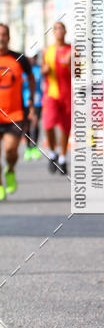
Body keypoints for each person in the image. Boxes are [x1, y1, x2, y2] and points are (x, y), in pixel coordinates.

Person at [0, 24, 35, 199]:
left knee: (10, 151)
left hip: (14, 115)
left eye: (4, 35)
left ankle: (11, 169)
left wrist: (30, 101)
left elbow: (31, 77)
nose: (1, 38)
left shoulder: (19, 59)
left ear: (9, 37)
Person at [42, 21, 72, 174]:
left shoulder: (72, 50)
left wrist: (72, 63)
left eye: (62, 28)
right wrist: (45, 69)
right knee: (48, 124)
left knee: (66, 128)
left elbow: (80, 73)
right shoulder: (47, 50)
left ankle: (62, 158)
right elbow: (42, 70)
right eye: (56, 29)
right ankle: (52, 152)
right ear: (53, 33)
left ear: (65, 31)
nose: (59, 31)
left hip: (67, 95)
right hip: (51, 95)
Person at [22, 53, 43, 160]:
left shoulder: (39, 69)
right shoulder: (23, 70)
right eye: (31, 57)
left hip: (37, 101)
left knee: (35, 121)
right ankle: (28, 148)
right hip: (25, 101)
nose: (32, 59)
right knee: (26, 125)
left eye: (35, 57)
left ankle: (34, 146)